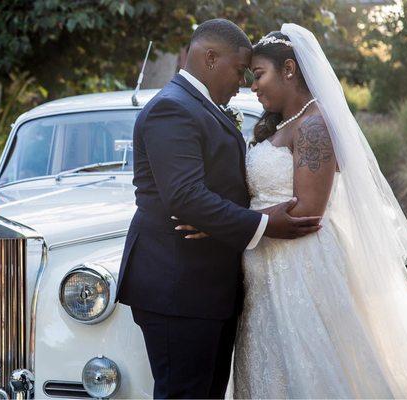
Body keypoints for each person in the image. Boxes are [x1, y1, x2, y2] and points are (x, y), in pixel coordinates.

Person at [182, 24, 407, 398]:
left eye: (258, 75)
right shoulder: (282, 125)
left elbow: (307, 210)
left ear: (289, 69)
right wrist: (221, 218)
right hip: (265, 269)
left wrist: (221, 224)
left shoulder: (315, 125)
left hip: (301, 269)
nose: (251, 86)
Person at [115, 19, 322, 399]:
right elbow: (186, 196)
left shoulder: (197, 106)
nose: (244, 82)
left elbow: (215, 190)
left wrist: (222, 225)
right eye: (240, 70)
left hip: (206, 290)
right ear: (211, 58)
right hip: (179, 288)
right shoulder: (172, 109)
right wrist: (260, 223)